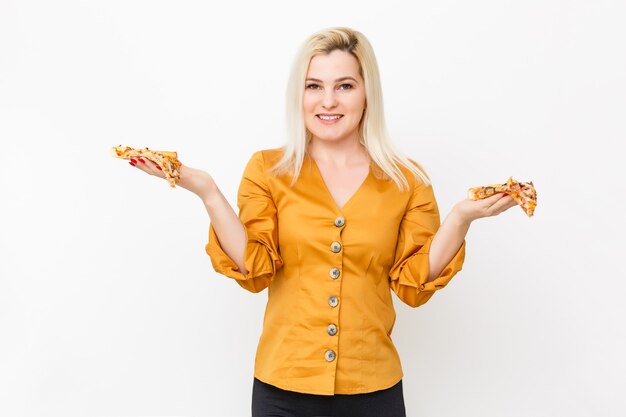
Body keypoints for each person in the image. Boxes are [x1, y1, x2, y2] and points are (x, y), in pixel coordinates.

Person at [127, 27, 518, 417]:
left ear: (367, 94)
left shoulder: (407, 179)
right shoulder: (267, 170)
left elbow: (413, 284)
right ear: (299, 94)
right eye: (314, 86)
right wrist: (208, 191)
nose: (327, 101)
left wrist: (461, 218)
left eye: (345, 86)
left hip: (374, 392)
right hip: (282, 390)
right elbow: (254, 269)